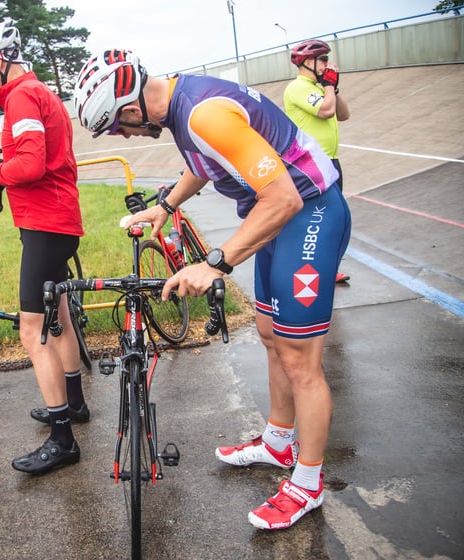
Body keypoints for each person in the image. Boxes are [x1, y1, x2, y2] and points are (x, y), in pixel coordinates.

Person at [73, 49, 350, 529]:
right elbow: (205, 164)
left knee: (300, 360)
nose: (125, 136)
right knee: (270, 335)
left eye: (118, 128)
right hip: (279, 219)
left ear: (133, 108)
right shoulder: (181, 105)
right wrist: (165, 205)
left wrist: (215, 262)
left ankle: (308, 483)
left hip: (307, 213)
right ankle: (279, 441)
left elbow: (281, 195)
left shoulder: (203, 115)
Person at [0, 20, 87, 475]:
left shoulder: (19, 96)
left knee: (31, 330)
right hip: (59, 220)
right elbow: (40, 155)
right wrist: (2, 163)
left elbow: (32, 165)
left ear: (0, 62)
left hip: (45, 222)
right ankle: (72, 404)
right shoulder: (40, 92)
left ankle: (62, 439)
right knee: (61, 319)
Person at [284, 39, 352, 284]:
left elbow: (343, 114)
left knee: (335, 220)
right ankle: (310, 272)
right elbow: (325, 111)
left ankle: (327, 268)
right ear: (308, 62)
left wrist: (333, 86)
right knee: (319, 220)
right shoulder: (298, 87)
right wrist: (328, 88)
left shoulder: (321, 87)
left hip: (331, 160)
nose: (327, 63)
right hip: (312, 164)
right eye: (322, 59)